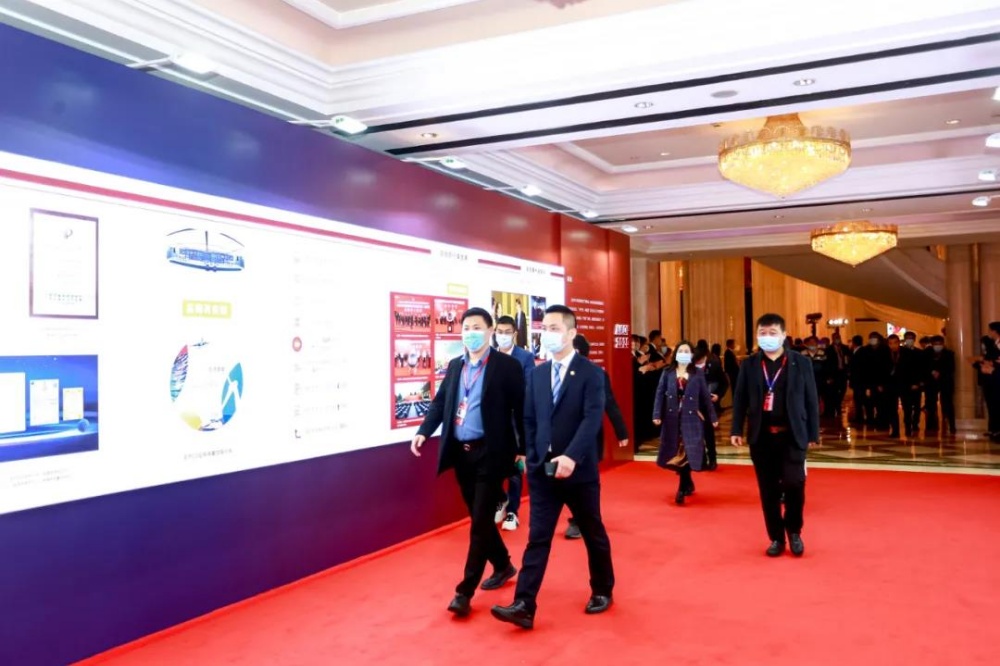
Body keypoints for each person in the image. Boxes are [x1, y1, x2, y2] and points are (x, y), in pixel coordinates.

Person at [492, 305, 615, 629]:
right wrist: (534, 456)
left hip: (579, 472)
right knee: (538, 538)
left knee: (592, 532)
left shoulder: (592, 374)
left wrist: (571, 456)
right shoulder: (537, 373)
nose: (548, 333)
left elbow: (592, 419)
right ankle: (524, 604)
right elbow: (529, 419)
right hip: (543, 472)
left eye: (555, 328)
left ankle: (602, 589)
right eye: (545, 327)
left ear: (571, 333)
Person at [410, 307, 526, 617]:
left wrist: (523, 448)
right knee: (481, 518)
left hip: (491, 452)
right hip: (461, 454)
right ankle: (502, 564)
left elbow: (521, 409)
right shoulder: (455, 366)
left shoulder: (507, 366)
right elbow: (440, 404)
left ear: (490, 331)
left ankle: (464, 592)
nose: (470, 333)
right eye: (466, 328)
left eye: (476, 327)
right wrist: (423, 432)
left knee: (478, 523)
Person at [731, 313, 820, 558]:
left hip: (792, 435)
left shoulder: (801, 363)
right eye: (762, 333)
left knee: (794, 484)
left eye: (772, 333)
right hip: (762, 437)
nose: (767, 337)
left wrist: (813, 432)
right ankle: (776, 537)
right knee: (768, 490)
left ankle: (794, 531)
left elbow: (811, 399)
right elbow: (740, 398)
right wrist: (736, 428)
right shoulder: (749, 364)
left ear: (783, 335)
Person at [565, 333, 629, 539]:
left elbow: (609, 402)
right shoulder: (553, 373)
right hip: (562, 437)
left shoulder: (597, 374)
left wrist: (621, 431)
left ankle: (584, 519)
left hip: (588, 437)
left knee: (587, 479)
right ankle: (577, 517)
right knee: (562, 479)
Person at [653, 341, 718, 505]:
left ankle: (681, 488)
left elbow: (705, 396)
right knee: (677, 451)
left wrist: (713, 417)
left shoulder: (697, 373)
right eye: (680, 350)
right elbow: (659, 394)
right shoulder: (667, 372)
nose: (683, 353)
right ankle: (687, 480)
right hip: (672, 419)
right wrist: (656, 414)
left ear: (691, 354)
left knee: (687, 450)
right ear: (675, 354)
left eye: (686, 351)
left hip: (691, 419)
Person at [494, 315, 535, 531]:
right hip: (494, 420)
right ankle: (501, 498)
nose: (503, 336)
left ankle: (513, 511)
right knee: (492, 464)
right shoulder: (490, 355)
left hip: (516, 419)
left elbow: (527, 387)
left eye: (507, 332)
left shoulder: (525, 357)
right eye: (499, 332)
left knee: (515, 465)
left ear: (514, 334)